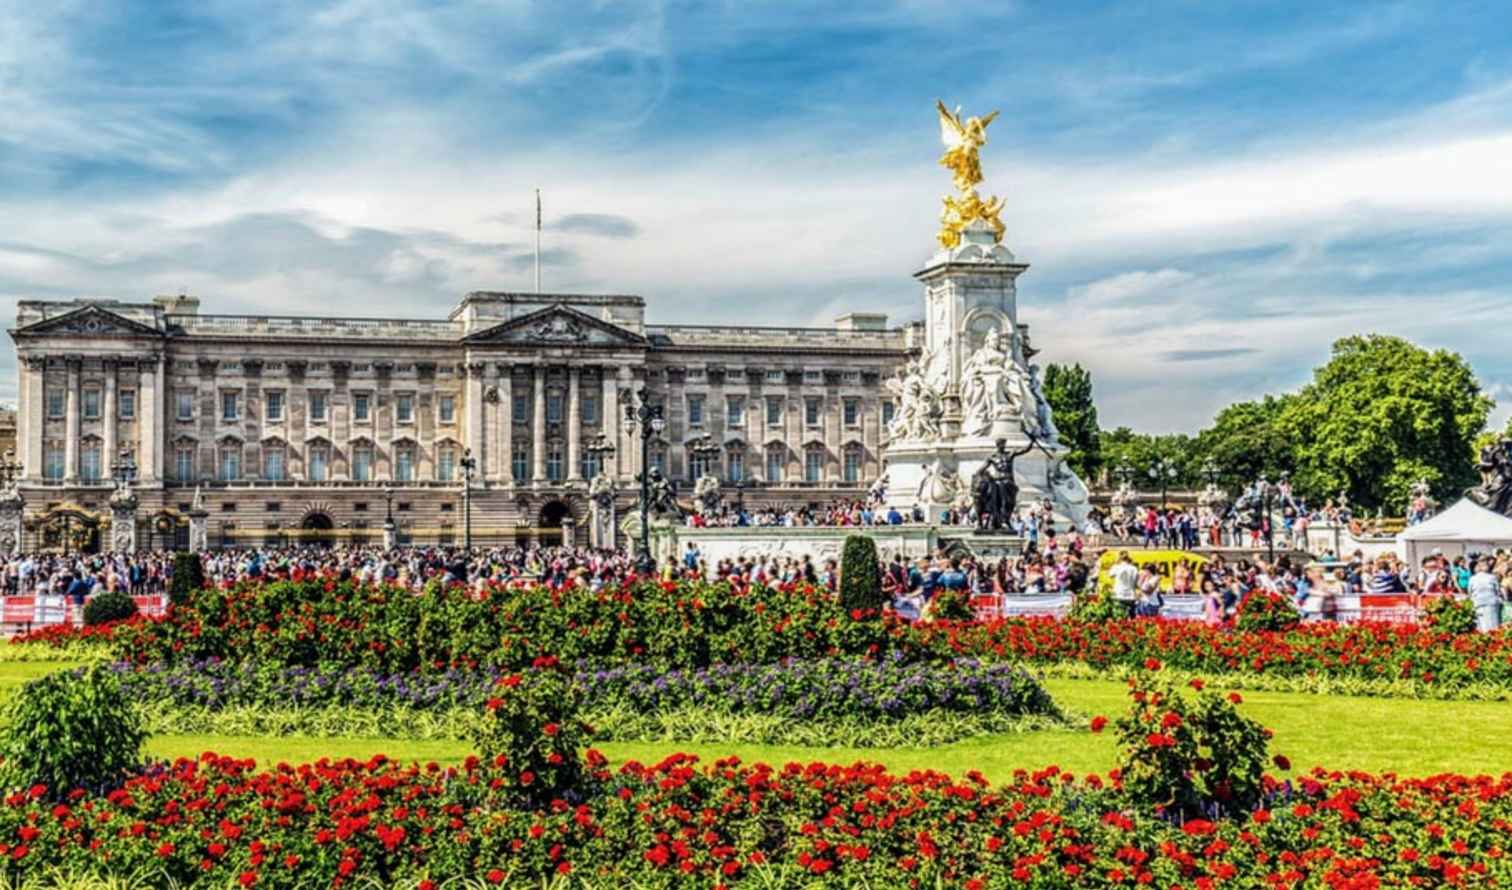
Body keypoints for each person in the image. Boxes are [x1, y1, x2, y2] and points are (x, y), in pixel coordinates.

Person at [1469, 559, 1502, 633]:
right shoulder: (1492, 577)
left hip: (1478, 603)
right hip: (1491, 603)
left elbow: (1470, 592)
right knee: (1494, 625)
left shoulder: (1472, 579)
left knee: (1481, 626)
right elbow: (1497, 590)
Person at [1108, 552, 1139, 617]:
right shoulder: (1134, 568)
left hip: (1119, 594)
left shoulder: (1117, 567)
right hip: (1131, 595)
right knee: (1132, 616)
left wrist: (1115, 563)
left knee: (1119, 616)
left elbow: (1110, 575)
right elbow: (1136, 582)